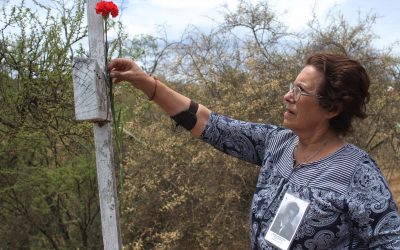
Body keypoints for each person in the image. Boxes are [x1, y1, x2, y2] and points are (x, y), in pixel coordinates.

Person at [108, 52, 400, 249]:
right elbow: (213, 126)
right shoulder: (277, 144)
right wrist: (147, 83)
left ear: (332, 108)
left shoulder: (357, 173)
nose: (288, 96)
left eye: (300, 90)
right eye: (291, 86)